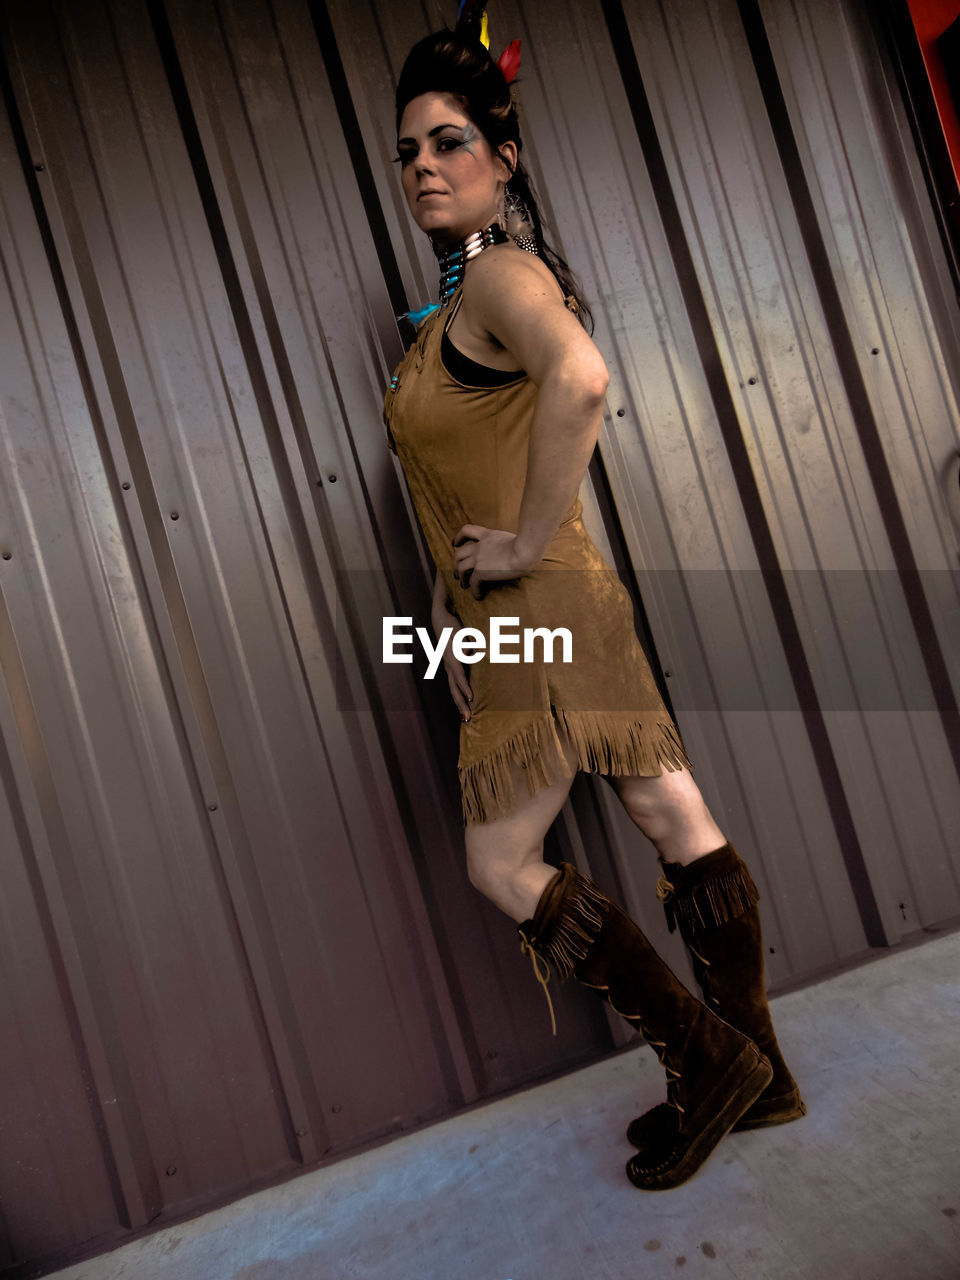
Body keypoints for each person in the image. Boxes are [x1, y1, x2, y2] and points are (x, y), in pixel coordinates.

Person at [382, 13, 804, 1191]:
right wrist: (448, 605)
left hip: (541, 604)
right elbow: (456, 474)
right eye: (407, 148)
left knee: (499, 859)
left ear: (502, 159)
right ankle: (761, 1072)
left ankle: (709, 1060)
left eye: (449, 141)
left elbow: (582, 377)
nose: (422, 164)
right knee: (673, 812)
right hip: (565, 601)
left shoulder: (504, 275)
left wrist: (509, 553)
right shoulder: (455, 306)